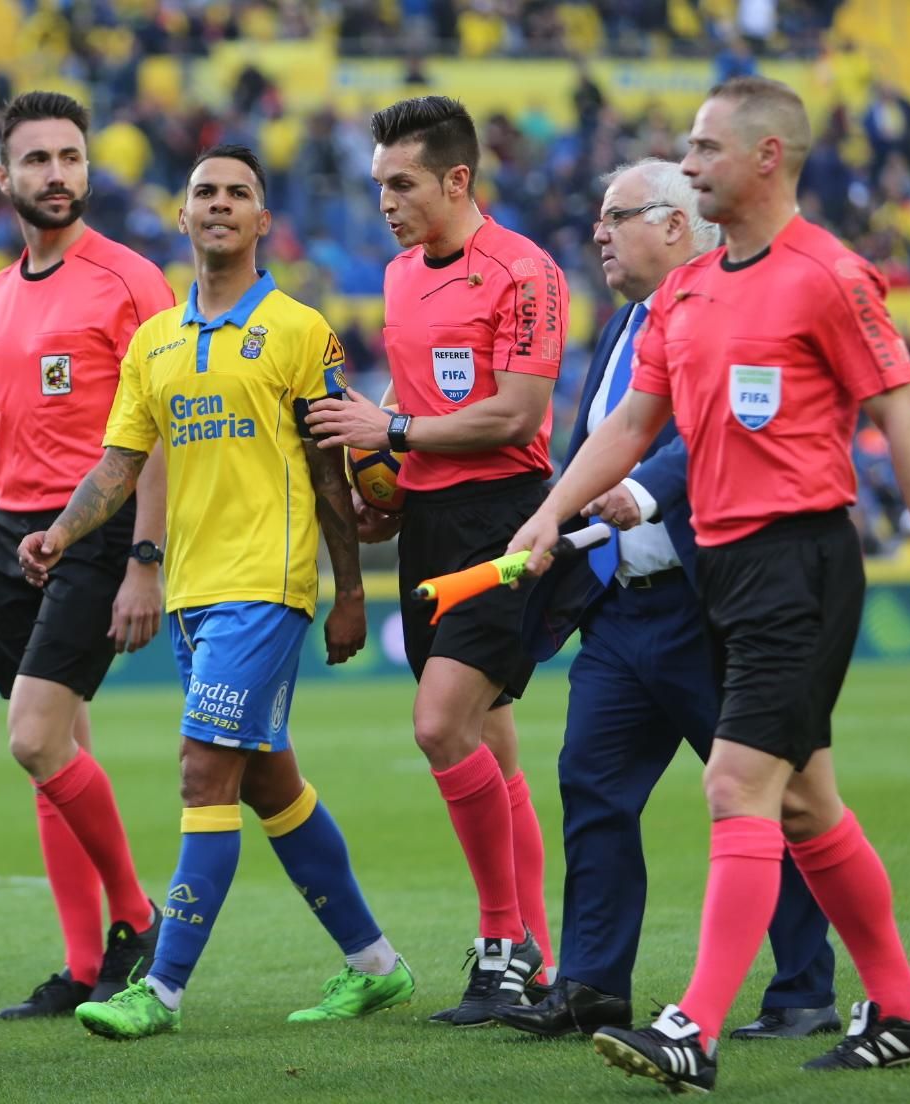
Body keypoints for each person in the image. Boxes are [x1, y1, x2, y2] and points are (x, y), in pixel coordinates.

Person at [508, 76, 910, 1092]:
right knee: (804, 804)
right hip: (720, 569)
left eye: (705, 148)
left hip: (798, 563)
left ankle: (693, 1028)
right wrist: (551, 515)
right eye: (687, 148)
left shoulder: (830, 276)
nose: (690, 163)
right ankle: (901, 1011)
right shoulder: (685, 293)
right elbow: (632, 426)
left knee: (735, 786)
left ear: (767, 157)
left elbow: (902, 420)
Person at [18, 145, 414, 1040]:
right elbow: (119, 463)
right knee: (269, 781)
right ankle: (375, 965)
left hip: (267, 585)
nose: (221, 204)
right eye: (206, 192)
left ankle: (158, 989)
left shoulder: (299, 330)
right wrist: (61, 534)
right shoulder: (155, 341)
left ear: (263, 220)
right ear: (184, 215)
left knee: (203, 768)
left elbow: (329, 470)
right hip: (192, 593)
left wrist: (351, 590)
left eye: (239, 193)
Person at [490, 158, 839, 1041]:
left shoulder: (729, 308)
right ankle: (592, 985)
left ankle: (802, 992)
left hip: (708, 603)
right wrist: (555, 517)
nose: (598, 233)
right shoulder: (624, 324)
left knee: (770, 794)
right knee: (592, 787)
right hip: (620, 607)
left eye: (616, 216)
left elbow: (718, 425)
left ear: (676, 225)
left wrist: (645, 491)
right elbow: (608, 435)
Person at [306, 96, 566, 1025]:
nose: (385, 202)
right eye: (379, 184)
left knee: (438, 725)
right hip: (427, 524)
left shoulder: (526, 272)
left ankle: (502, 943)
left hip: (503, 523)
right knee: (489, 744)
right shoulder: (396, 275)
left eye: (402, 184)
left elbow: (516, 413)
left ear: (457, 179)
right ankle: (533, 957)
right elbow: (410, 396)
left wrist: (392, 432)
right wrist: (386, 486)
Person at [0, 91, 169, 1020]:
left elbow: (163, 431)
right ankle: (82, 964)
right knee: (52, 748)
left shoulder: (132, 281)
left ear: (88, 168)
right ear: (3, 177)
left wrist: (145, 557)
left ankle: (136, 918)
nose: (56, 174)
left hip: (94, 532)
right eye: (37, 159)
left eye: (69, 156)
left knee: (32, 737)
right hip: (8, 538)